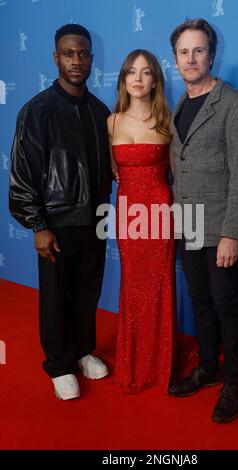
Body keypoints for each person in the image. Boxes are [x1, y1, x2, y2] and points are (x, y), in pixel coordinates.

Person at [9, 24, 112, 400]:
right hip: (55, 224)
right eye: (69, 53)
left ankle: (84, 350)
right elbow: (22, 174)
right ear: (56, 57)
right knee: (55, 296)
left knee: (87, 293)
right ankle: (59, 364)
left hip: (95, 221)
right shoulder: (36, 110)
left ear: (91, 59)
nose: (76, 60)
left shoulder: (101, 111)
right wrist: (37, 224)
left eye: (83, 54)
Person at [168, 19, 238, 423]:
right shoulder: (178, 107)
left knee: (227, 304)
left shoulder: (234, 104)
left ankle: (233, 382)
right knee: (200, 301)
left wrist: (231, 235)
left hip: (220, 231)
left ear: (211, 55)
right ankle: (208, 367)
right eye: (184, 52)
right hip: (187, 227)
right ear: (175, 59)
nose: (191, 58)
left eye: (198, 50)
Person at [107, 50, 175, 393]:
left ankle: (160, 365)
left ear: (155, 81)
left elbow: (178, 174)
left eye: (146, 72)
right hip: (128, 217)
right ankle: (133, 362)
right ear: (123, 79)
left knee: (159, 287)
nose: (137, 78)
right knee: (132, 287)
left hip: (159, 215)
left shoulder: (168, 121)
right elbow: (114, 171)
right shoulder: (112, 122)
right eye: (131, 71)